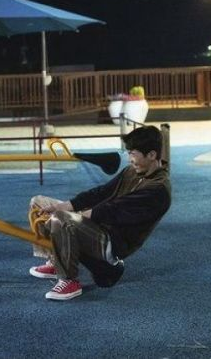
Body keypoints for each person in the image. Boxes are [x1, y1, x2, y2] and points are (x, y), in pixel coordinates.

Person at [28, 125, 171, 300]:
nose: (130, 159)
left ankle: (69, 280)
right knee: (38, 203)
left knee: (61, 219)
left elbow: (111, 211)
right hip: (98, 225)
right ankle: (55, 261)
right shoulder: (131, 172)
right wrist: (62, 206)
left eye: (133, 154)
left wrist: (69, 216)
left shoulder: (158, 190)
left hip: (112, 242)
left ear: (152, 155)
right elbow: (101, 193)